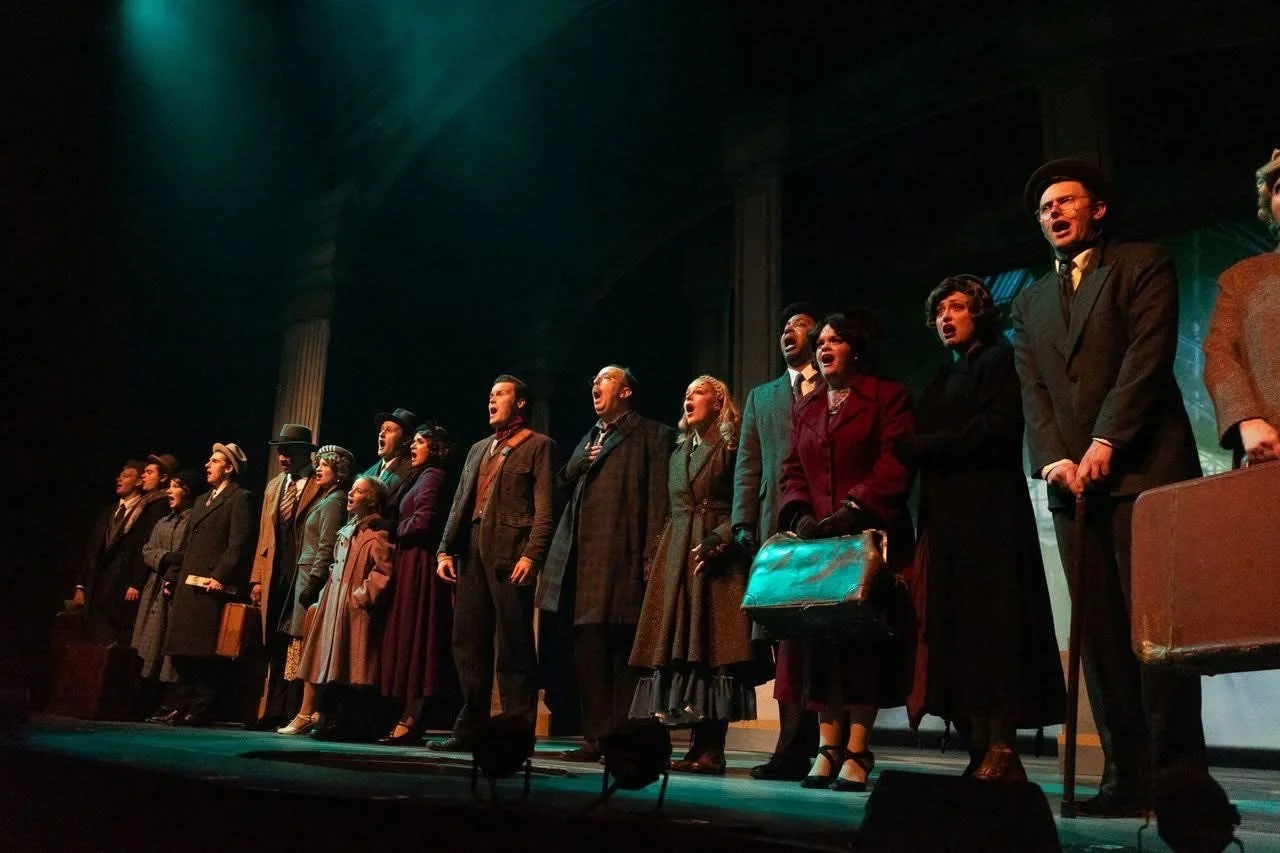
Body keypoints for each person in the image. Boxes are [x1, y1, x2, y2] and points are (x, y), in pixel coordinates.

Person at [1012, 158, 1207, 816]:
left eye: (1065, 202)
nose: (1053, 214)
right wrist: (1052, 459)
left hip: (1146, 473)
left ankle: (1178, 778)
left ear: (1098, 208)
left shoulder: (1142, 262)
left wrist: (1105, 442)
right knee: (1097, 635)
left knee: (1158, 634)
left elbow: (1146, 360)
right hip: (1071, 486)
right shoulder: (1031, 299)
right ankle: (1126, 776)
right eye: (1043, 209)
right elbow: (1034, 391)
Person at [898, 275, 1064, 781]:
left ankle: (1000, 745)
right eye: (940, 311)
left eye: (957, 308)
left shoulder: (999, 362)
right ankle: (976, 744)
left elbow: (996, 430)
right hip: (947, 519)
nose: (946, 318)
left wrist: (925, 446)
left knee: (994, 627)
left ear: (980, 314)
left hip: (990, 516)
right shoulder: (940, 376)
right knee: (957, 630)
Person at [775, 309, 916, 792]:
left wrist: (854, 509)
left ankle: (858, 749)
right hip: (819, 545)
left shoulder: (888, 397)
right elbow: (792, 468)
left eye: (835, 340)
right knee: (818, 645)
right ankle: (826, 747)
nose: (824, 347)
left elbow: (894, 462)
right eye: (821, 342)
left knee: (862, 647)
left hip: (867, 539)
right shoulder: (807, 407)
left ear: (856, 348)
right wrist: (799, 514)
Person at [538, 365, 673, 761]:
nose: (595, 384)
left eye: (606, 379)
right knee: (588, 650)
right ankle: (596, 736)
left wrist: (653, 555)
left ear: (627, 391)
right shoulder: (588, 437)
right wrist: (581, 462)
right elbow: (564, 478)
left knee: (625, 651)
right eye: (593, 380)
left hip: (626, 556)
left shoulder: (654, 434)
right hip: (584, 561)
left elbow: (658, 502)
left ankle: (625, 737)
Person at [628, 375, 757, 775]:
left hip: (714, 555)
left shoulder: (730, 446)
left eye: (698, 392)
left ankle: (711, 748)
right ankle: (688, 745)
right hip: (678, 550)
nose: (688, 398)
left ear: (719, 402)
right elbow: (672, 507)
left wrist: (722, 539)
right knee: (678, 647)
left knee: (711, 649)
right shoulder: (680, 451)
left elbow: (743, 500)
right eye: (686, 393)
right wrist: (658, 554)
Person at [430, 375, 555, 751]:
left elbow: (546, 508)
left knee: (515, 644)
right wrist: (444, 549)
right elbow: (459, 503)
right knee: (467, 641)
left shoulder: (538, 446)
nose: (492, 400)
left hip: (509, 550)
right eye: (490, 395)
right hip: (472, 550)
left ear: (520, 403)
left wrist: (532, 554)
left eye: (500, 394)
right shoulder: (478, 449)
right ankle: (470, 728)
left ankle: (516, 733)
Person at [731, 302, 823, 780]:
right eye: (784, 327)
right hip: (773, 525)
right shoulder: (761, 397)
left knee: (819, 633)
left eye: (800, 326)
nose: (789, 332)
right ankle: (791, 746)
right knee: (784, 639)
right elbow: (748, 463)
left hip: (821, 522)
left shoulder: (831, 382)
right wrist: (742, 522)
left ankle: (821, 746)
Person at [294, 475, 393, 740]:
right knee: (330, 664)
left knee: (352, 665)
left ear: (371, 499)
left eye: (358, 491)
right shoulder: (348, 532)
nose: (350, 494)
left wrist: (360, 597)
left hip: (354, 610)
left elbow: (383, 572)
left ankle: (347, 723)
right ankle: (324, 718)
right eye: (351, 490)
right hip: (335, 605)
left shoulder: (376, 535)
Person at [163, 443, 255, 726]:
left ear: (229, 468)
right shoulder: (202, 500)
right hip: (189, 582)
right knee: (181, 649)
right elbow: (188, 544)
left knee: (204, 651)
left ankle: (201, 707)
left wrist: (221, 575)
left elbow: (237, 544)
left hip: (211, 585)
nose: (207, 465)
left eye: (215, 461)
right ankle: (182, 703)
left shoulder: (240, 498)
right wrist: (173, 577)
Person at [378, 422, 457, 745]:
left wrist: (393, 529)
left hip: (420, 564)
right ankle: (406, 715)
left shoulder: (433, 476)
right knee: (406, 637)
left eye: (422, 442)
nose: (414, 446)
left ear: (435, 448)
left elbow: (425, 519)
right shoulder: (417, 476)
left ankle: (412, 718)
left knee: (417, 638)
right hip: (408, 561)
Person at [1203, 148, 1280, 466]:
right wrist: (1245, 418)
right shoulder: (1242, 278)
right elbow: (1219, 353)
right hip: (1272, 453)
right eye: (1279, 188)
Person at [274, 445, 354, 736]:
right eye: (317, 464)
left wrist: (312, 586)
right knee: (303, 648)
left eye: (325, 465)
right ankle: (310, 711)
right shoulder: (326, 498)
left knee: (309, 649)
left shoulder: (334, 502)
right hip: (306, 576)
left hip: (314, 581)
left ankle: (306, 712)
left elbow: (325, 548)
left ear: (339, 473)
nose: (318, 469)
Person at [248, 424, 322, 729]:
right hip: (276, 571)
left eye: (289, 450)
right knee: (273, 641)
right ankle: (271, 708)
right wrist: (256, 578)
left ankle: (292, 709)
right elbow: (265, 535)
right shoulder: (274, 486)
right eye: (280, 450)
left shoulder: (319, 483)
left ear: (305, 452)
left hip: (302, 571)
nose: (282, 457)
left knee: (297, 641)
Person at [74, 458, 170, 646]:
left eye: (126, 476)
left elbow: (142, 546)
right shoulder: (108, 512)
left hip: (120, 586)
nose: (119, 479)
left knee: (110, 638)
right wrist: (81, 585)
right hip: (98, 585)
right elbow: (93, 550)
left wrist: (135, 582)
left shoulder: (146, 509)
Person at [133, 467, 198, 721]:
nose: (170, 491)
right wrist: (164, 557)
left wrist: (172, 562)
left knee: (168, 647)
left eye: (176, 486)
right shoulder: (163, 521)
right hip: (154, 588)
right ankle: (145, 698)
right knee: (148, 644)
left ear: (188, 491)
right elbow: (147, 550)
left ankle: (169, 701)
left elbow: (189, 553)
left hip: (175, 587)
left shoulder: (193, 520)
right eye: (169, 486)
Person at [363, 407, 416, 493]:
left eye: (388, 430)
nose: (381, 434)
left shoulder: (411, 471)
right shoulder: (368, 473)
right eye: (381, 429)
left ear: (406, 440)